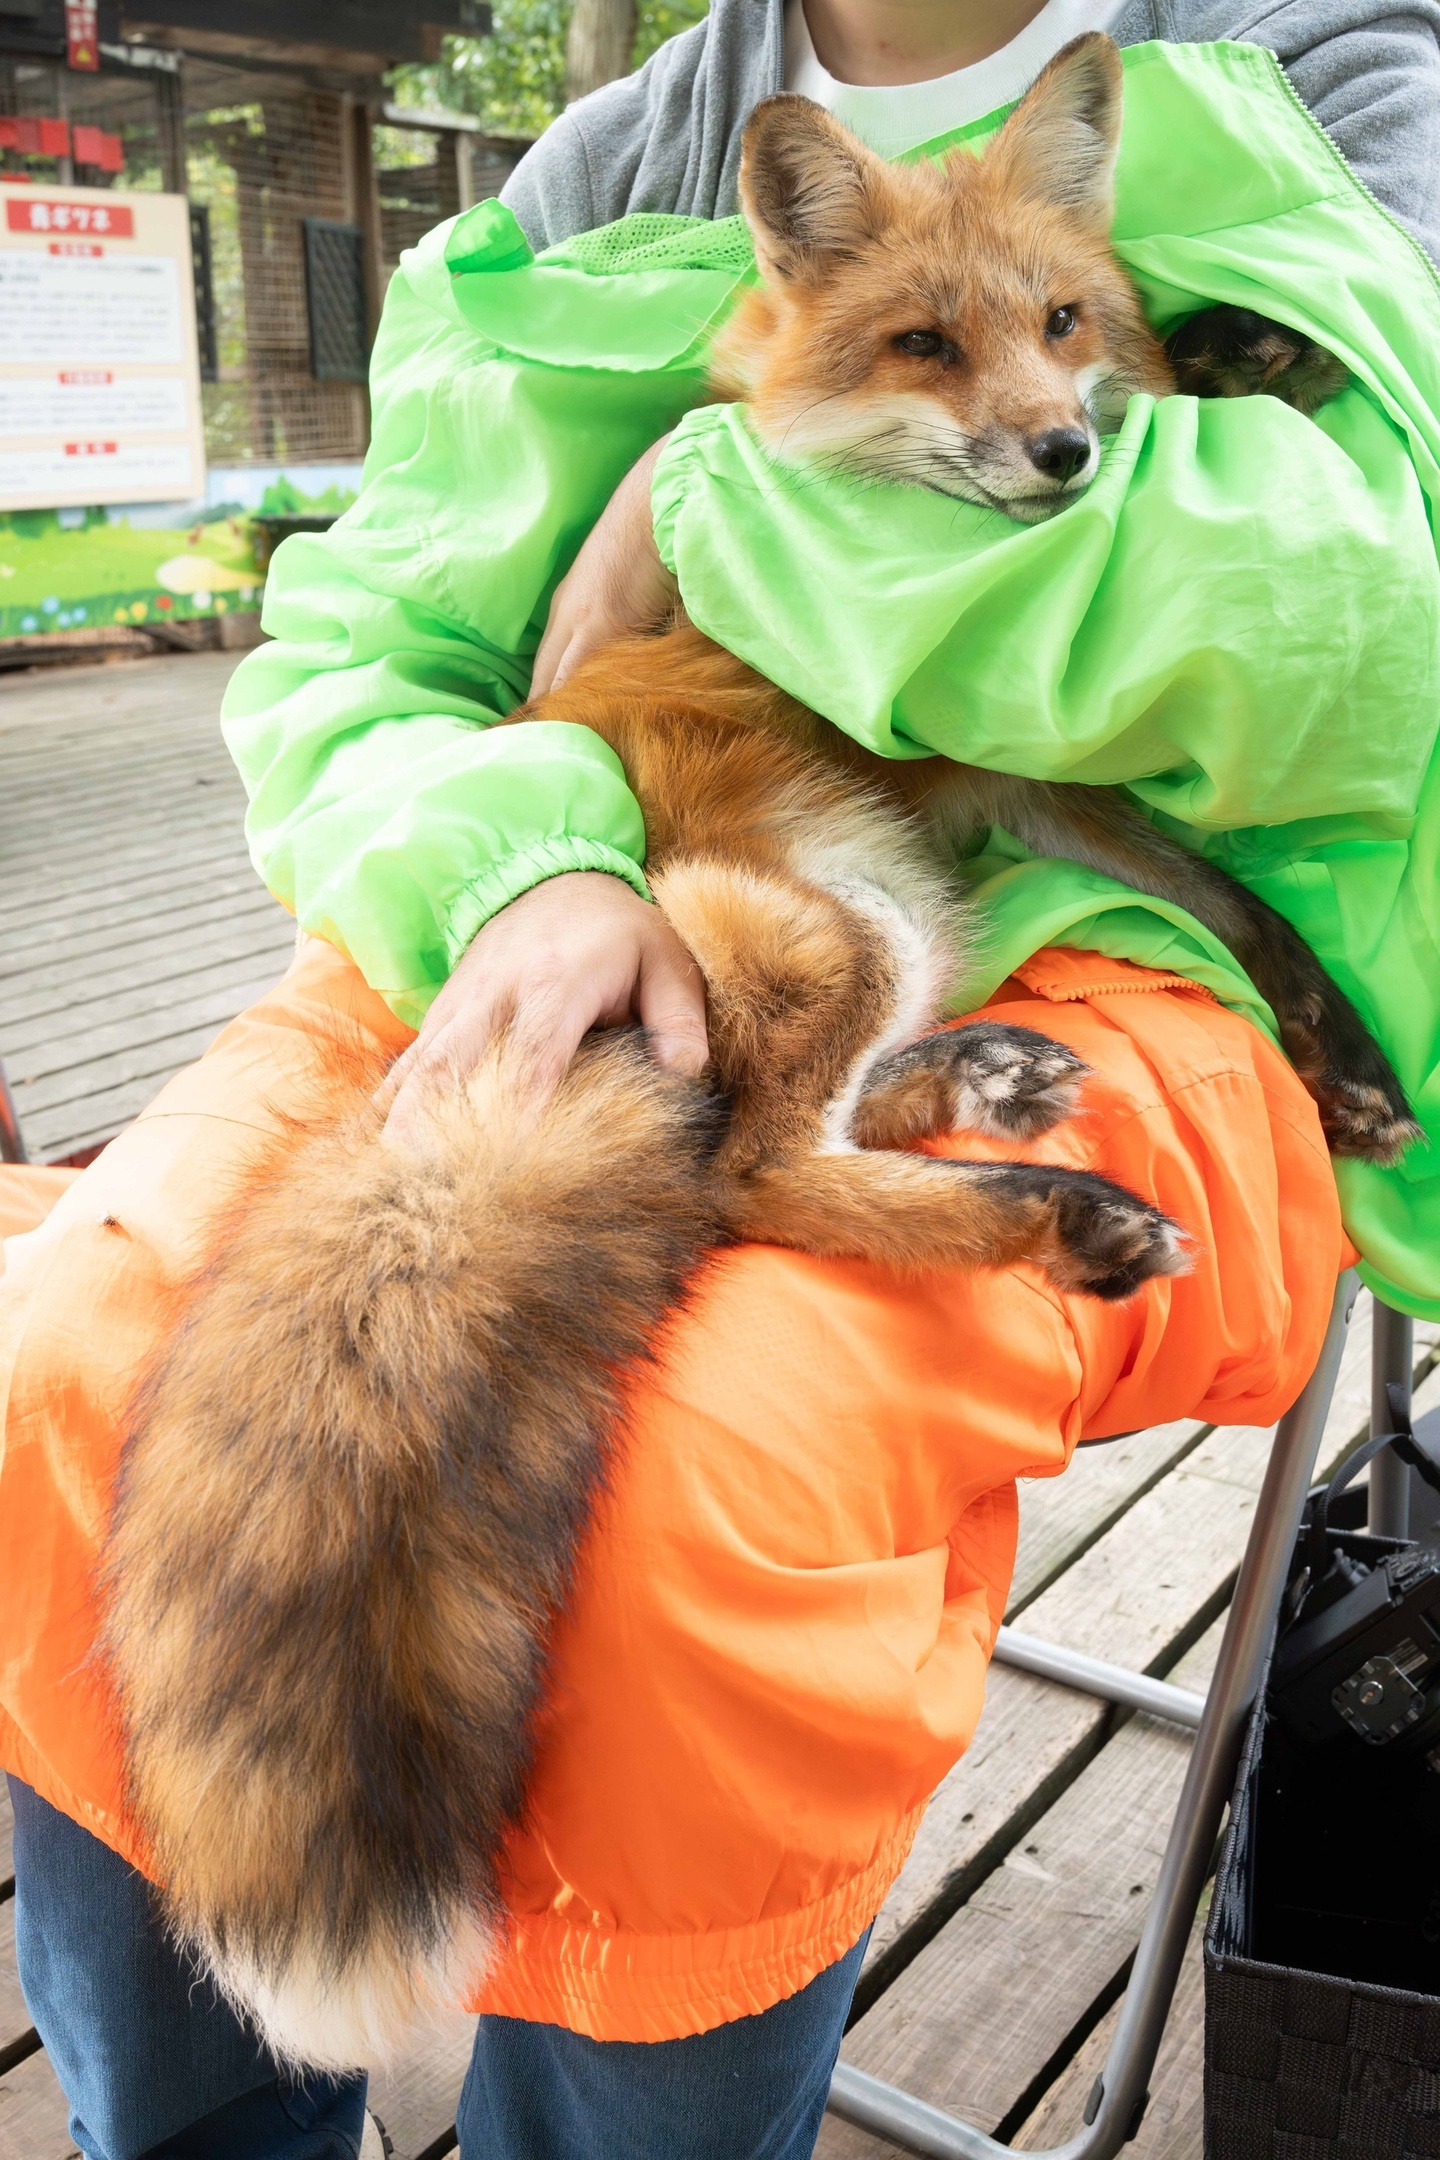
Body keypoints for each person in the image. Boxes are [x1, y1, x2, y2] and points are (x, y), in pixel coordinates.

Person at [2, 0, 1438, 2152]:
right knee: (70, 1362)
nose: (1028, 398)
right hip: (542, 855)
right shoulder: (624, 144)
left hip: (1125, 958)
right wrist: (522, 872)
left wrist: (714, 494)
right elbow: (376, 642)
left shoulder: (1331, 64)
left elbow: (1356, 597)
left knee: (714, 1495)